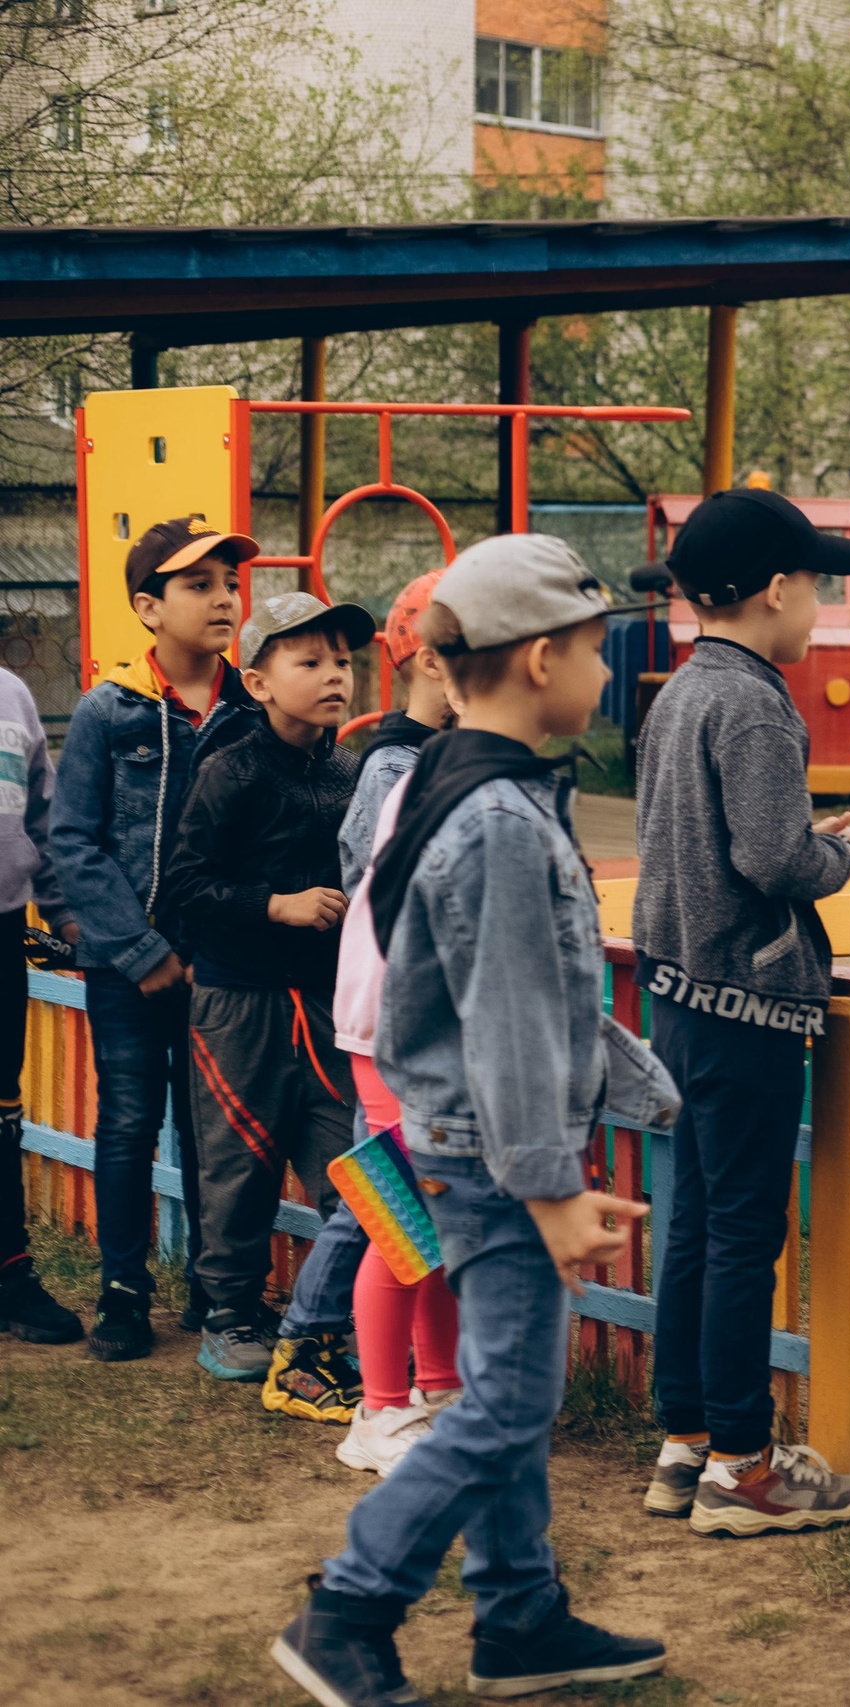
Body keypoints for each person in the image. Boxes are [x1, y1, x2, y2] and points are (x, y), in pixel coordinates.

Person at [272, 533, 675, 1707]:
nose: (609, 674)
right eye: (601, 653)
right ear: (541, 658)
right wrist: (549, 1187)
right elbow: (504, 1021)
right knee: (506, 1403)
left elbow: (535, 994)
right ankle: (349, 1608)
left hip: (475, 1147)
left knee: (506, 1388)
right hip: (494, 1162)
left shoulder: (461, 786)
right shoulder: (495, 818)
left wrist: (642, 1093)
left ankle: (519, 1615)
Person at [633, 486, 850, 1536]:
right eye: (819, 591)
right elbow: (773, 857)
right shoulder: (755, 701)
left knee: (695, 1222)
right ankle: (743, 1466)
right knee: (744, 1234)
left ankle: (684, 1441)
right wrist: (833, 856)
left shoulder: (682, 692)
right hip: (747, 1002)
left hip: (680, 996)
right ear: (777, 591)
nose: (820, 610)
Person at [52, 517, 262, 1361]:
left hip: (222, 966)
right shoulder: (110, 711)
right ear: (148, 606)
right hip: (125, 965)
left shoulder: (254, 706)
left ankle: (217, 1292)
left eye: (228, 582)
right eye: (198, 584)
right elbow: (72, 841)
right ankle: (123, 1290)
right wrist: (138, 952)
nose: (223, 598)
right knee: (130, 1122)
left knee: (217, 1128)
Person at [162, 592, 372, 1392]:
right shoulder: (231, 768)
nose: (333, 677)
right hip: (237, 1000)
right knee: (239, 1161)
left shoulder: (350, 773)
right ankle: (232, 1316)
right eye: (309, 660)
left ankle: (346, 1320)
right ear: (256, 681)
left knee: (352, 1165)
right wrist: (273, 904)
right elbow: (183, 882)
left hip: (326, 1005)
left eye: (343, 661)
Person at [326, 569, 464, 1472]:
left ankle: (439, 1385)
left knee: (441, 1223)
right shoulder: (407, 771)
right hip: (396, 1034)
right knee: (401, 1225)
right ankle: (378, 1408)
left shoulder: (448, 768)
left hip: (432, 1034)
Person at [0, 653, 80, 1344]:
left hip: (2, 932)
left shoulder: (13, 695)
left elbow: (44, 820)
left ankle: (11, 1274)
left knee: (3, 1112)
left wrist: (65, 914)